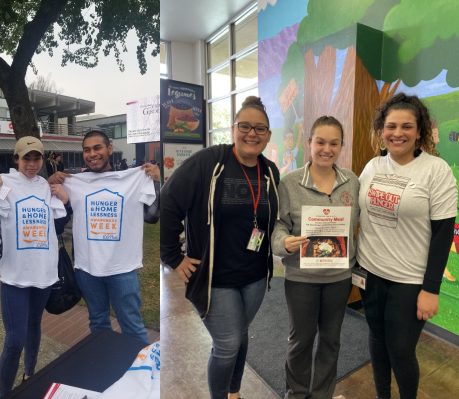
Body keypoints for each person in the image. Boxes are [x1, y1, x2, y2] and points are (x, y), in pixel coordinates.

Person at [160, 96, 280, 399]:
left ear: (268, 135)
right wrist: (173, 256)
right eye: (245, 126)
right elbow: (169, 202)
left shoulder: (270, 172)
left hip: (253, 276)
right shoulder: (208, 162)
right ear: (233, 128)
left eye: (260, 129)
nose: (252, 134)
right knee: (227, 344)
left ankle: (234, 392)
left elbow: (273, 219)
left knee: (240, 336)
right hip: (214, 278)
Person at [356, 94, 456, 399]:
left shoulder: (436, 171)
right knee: (376, 337)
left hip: (410, 280)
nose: (397, 133)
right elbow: (354, 212)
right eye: (391, 126)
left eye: (407, 126)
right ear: (381, 130)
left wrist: (431, 289)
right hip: (370, 272)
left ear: (419, 130)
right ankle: (382, 395)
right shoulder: (372, 167)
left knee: (400, 349)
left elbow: (443, 234)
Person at [269, 116, 360, 399]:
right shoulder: (290, 183)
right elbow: (278, 224)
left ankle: (322, 394)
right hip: (301, 279)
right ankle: (296, 394)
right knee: (301, 342)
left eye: (334, 143)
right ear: (309, 143)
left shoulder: (352, 182)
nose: (326, 149)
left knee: (331, 341)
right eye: (320, 142)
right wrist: (283, 241)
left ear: (341, 146)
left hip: (339, 278)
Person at [0, 136, 69, 397]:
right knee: (14, 341)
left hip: (44, 272)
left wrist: (66, 202)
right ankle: (6, 394)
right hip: (15, 274)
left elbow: (58, 226)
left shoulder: (46, 187)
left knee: (34, 325)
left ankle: (30, 373)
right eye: (26, 157)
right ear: (16, 159)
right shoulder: (5, 183)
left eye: (37, 157)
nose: (32, 163)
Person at [46, 130, 160, 345]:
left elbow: (152, 216)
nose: (92, 154)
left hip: (122, 268)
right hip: (86, 269)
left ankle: (144, 375)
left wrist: (156, 182)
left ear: (109, 149)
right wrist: (49, 183)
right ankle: (105, 368)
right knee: (98, 323)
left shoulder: (132, 179)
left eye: (97, 148)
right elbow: (55, 218)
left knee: (132, 325)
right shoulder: (73, 182)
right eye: (87, 150)